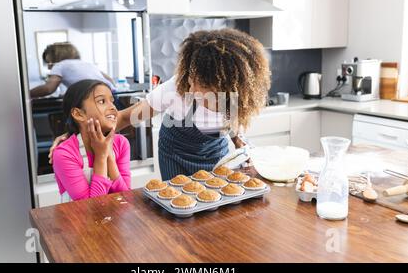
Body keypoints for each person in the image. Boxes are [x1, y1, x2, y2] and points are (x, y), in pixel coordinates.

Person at [50, 28, 271, 180]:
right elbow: (127, 117)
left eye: (202, 84)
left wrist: (239, 141)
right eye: (192, 77)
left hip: (216, 155)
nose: (192, 87)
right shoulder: (176, 88)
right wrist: (75, 138)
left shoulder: (237, 97)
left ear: (225, 85)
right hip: (175, 156)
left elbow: (233, 127)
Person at [52, 79, 130, 202]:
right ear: (78, 114)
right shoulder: (65, 154)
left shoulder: (121, 143)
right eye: (102, 101)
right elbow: (91, 207)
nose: (113, 107)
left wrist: (109, 156)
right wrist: (101, 156)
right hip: (80, 220)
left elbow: (126, 197)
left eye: (112, 101)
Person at [29, 42, 116, 99]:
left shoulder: (59, 65)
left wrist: (27, 94)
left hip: (93, 98)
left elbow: (48, 89)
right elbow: (110, 80)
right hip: (111, 95)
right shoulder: (86, 63)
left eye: (48, 63)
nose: (48, 68)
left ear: (54, 58)